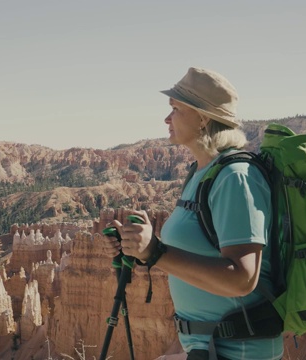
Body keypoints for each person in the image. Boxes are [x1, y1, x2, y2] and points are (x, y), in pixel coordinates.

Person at [101, 67, 283, 360]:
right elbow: (194, 253)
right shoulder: (202, 172)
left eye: (175, 109)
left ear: (203, 118)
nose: (167, 118)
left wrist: (155, 251)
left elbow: (242, 279)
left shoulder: (235, 177)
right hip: (207, 348)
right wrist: (137, 249)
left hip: (239, 351)